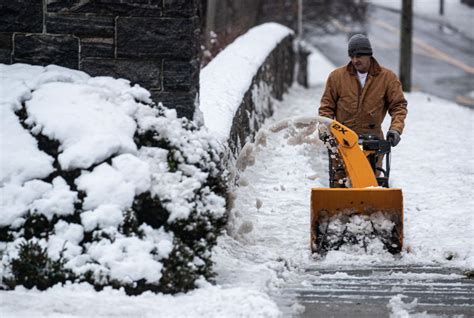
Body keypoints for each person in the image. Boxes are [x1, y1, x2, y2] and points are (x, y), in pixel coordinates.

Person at [318, 33, 407, 187]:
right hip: (343, 140)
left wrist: (396, 129)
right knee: (340, 181)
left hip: (372, 141)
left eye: (359, 56)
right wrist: (325, 130)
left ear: (369, 55)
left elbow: (398, 106)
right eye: (352, 56)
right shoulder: (337, 77)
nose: (355, 60)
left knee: (369, 182)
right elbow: (326, 108)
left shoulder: (387, 78)